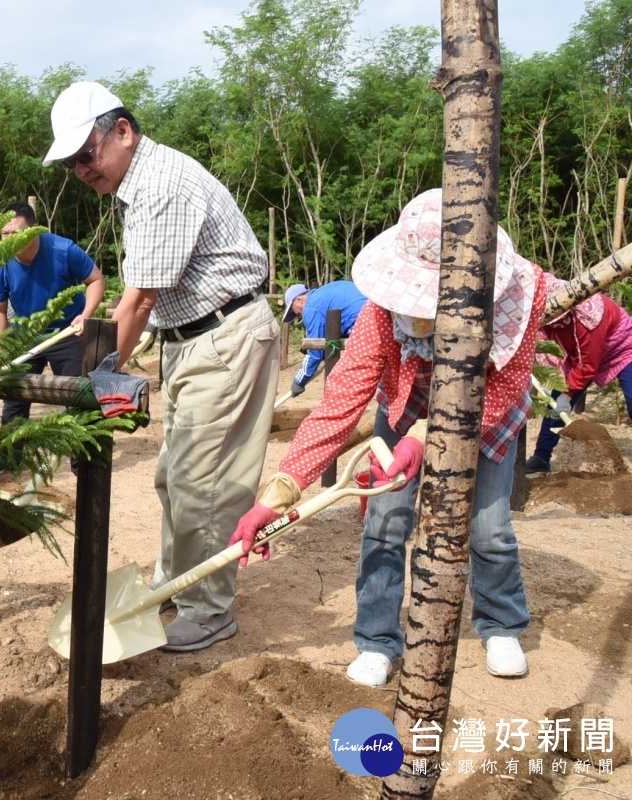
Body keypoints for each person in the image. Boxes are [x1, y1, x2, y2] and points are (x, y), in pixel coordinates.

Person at [230, 189, 544, 686]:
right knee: (385, 519)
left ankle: (500, 624)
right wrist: (277, 495)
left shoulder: (525, 293)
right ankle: (377, 639)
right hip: (406, 400)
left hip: (487, 404)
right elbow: (340, 404)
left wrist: (427, 440)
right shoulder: (381, 311)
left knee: (489, 526)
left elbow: (503, 387)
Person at [44, 81, 279, 652]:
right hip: (191, 340)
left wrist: (95, 385)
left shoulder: (162, 185)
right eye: (72, 162)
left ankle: (208, 606)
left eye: (86, 154)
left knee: (206, 483)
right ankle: (178, 580)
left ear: (122, 131)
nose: (81, 169)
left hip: (224, 337)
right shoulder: (139, 185)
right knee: (173, 477)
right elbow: (147, 302)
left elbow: (140, 298)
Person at [0, 201, 105, 431]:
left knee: (76, 396)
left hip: (69, 331)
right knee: (14, 397)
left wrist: (85, 315)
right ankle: (10, 459)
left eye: (17, 233)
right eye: (5, 233)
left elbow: (96, 280)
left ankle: (83, 464)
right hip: (26, 334)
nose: (10, 239)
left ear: (35, 229)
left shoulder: (64, 250)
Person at [525, 277, 632, 473]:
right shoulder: (547, 311)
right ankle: (541, 456)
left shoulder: (590, 317)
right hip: (579, 357)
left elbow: (589, 365)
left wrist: (568, 395)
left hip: (622, 347)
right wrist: (563, 395)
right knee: (556, 405)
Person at [281, 280, 367, 398]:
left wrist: (299, 381)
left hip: (363, 325)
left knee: (353, 379)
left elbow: (315, 350)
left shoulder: (311, 308)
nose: (296, 315)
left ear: (299, 300)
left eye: (292, 309)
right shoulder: (324, 294)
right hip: (375, 315)